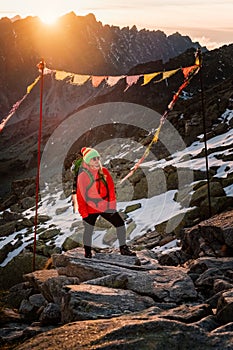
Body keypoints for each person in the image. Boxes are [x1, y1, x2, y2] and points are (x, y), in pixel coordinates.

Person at [76, 147, 136, 258]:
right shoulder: (82, 176)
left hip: (104, 205)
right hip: (90, 208)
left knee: (120, 224)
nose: (97, 160)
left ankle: (123, 248)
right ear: (88, 161)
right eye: (93, 159)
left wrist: (112, 205)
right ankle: (87, 253)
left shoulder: (104, 172)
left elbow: (111, 190)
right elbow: (81, 196)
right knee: (88, 230)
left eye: (98, 158)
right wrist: (84, 213)